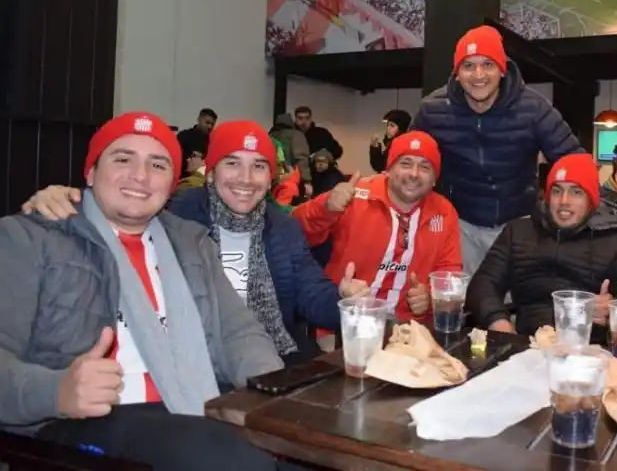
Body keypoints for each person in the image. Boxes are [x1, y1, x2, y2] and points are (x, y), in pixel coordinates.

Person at [1, 112, 292, 470]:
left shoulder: (190, 241)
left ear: (172, 182)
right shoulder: (29, 238)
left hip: (197, 405)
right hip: (80, 422)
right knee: (237, 462)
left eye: (158, 164)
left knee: (304, 456)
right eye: (123, 159)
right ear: (90, 172)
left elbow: (239, 332)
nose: (140, 176)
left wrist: (272, 398)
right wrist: (56, 391)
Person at [22, 120, 368, 363]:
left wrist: (344, 298)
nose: (246, 179)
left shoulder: (281, 226)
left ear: (271, 176)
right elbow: (118, 208)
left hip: (275, 357)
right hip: (198, 360)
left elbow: (311, 292)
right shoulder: (174, 217)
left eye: (259, 166)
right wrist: (64, 199)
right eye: (232, 163)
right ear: (212, 170)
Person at [412, 25, 582, 276]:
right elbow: (405, 161)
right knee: (459, 305)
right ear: (456, 73)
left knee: (517, 307)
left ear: (502, 69)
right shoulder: (432, 110)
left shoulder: (534, 108)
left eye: (487, 64)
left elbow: (575, 163)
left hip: (519, 223)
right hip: (460, 225)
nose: (478, 74)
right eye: (468, 65)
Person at [467, 153, 617, 341]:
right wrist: (498, 323)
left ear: (591, 200)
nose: (564, 201)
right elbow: (483, 284)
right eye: (557, 191)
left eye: (576, 192)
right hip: (525, 343)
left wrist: (613, 313)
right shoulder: (518, 232)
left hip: (589, 350)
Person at [293, 131, 461, 321]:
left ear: (434, 179)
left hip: (408, 330)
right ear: (388, 169)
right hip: (344, 319)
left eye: (425, 167)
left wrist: (431, 298)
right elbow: (291, 233)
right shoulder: (355, 196)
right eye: (405, 163)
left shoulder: (445, 212)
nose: (414, 174)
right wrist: (325, 208)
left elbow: (450, 276)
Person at [269, 112, 312, 197]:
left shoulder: (270, 136)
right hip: (291, 179)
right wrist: (307, 181)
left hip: (272, 180)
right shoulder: (296, 135)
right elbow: (301, 158)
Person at [176, 108, 217, 178]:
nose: (210, 126)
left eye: (212, 124)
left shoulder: (213, 141)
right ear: (199, 120)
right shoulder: (184, 135)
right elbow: (175, 157)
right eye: (207, 123)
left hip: (204, 180)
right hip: (184, 179)